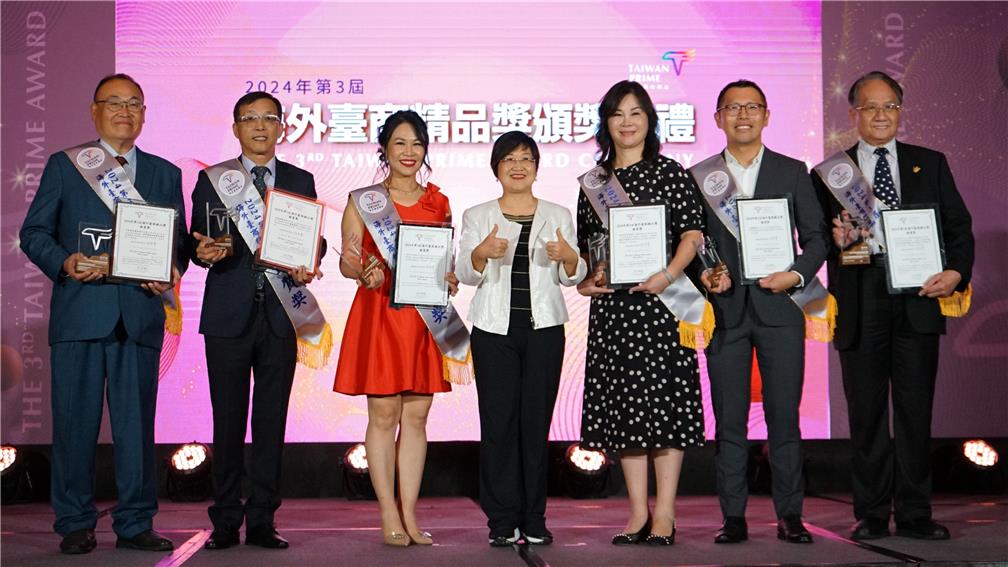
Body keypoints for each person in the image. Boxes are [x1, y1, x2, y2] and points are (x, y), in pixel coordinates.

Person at [20, 73, 186, 554]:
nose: (124, 111)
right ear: (95, 110)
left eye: (134, 103)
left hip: (138, 316)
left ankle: (135, 523)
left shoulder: (163, 173)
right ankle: (74, 521)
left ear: (144, 114)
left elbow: (175, 244)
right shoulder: (66, 165)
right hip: (80, 315)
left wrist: (168, 269)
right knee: (75, 424)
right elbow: (34, 234)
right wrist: (65, 262)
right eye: (114, 103)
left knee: (137, 427)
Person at [813, 71, 974, 541]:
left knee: (914, 409)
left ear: (900, 112)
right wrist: (838, 240)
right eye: (870, 107)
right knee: (865, 413)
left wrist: (956, 273)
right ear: (853, 114)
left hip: (919, 297)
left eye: (890, 106)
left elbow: (959, 229)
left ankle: (916, 511)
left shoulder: (931, 163)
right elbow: (819, 239)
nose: (881, 115)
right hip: (861, 299)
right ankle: (871, 512)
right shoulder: (831, 173)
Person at [189, 91, 325, 550]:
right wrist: (200, 252)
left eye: (269, 118)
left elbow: (313, 240)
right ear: (236, 128)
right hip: (228, 314)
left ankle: (263, 519)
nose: (260, 126)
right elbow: (197, 239)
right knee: (226, 422)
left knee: (271, 421)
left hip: (281, 314)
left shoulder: (299, 178)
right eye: (250, 118)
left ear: (283, 126)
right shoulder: (214, 179)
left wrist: (311, 257)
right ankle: (226, 519)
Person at [694, 79, 828, 544]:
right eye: (732, 107)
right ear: (718, 118)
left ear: (767, 116)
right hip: (726, 312)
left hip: (780, 308)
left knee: (783, 417)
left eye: (752, 107)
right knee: (728, 418)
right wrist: (707, 276)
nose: (743, 115)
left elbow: (816, 239)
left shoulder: (793, 171)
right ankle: (733, 516)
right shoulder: (700, 176)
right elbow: (693, 248)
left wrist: (795, 275)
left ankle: (790, 515)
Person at [576, 80, 705, 546]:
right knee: (627, 413)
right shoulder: (593, 183)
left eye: (635, 113)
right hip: (615, 312)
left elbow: (693, 235)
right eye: (617, 114)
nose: (626, 122)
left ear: (649, 121)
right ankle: (636, 514)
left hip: (664, 306)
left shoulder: (671, 172)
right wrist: (590, 280)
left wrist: (668, 275)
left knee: (665, 409)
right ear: (605, 123)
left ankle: (665, 514)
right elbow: (591, 252)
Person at [334, 110, 459, 547]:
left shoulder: (438, 202)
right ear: (384, 148)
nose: (410, 152)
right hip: (381, 315)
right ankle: (387, 510)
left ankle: (410, 512)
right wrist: (359, 268)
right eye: (400, 143)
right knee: (384, 415)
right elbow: (347, 258)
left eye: (417, 144)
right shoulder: (364, 199)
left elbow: (444, 259)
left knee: (418, 416)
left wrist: (450, 279)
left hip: (423, 318)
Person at [457, 131, 586, 547]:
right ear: (496, 167)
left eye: (527, 158)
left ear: (536, 167)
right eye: (509, 159)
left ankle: (534, 517)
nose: (518, 165)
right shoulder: (478, 214)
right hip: (494, 331)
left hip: (544, 329)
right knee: (498, 425)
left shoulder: (558, 213)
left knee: (536, 425)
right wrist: (480, 253)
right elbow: (465, 272)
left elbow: (573, 273)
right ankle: (500, 520)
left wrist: (570, 258)